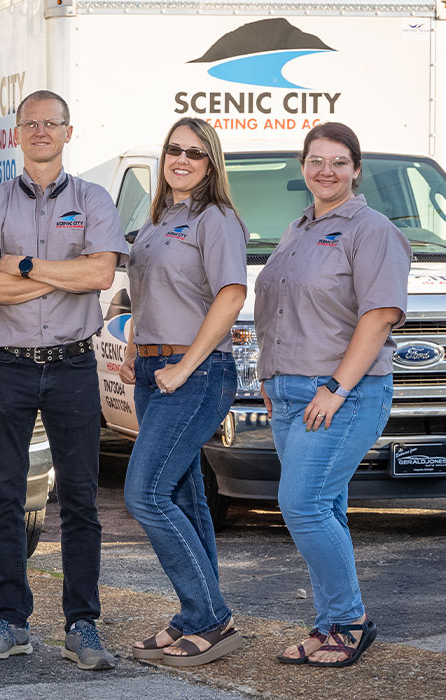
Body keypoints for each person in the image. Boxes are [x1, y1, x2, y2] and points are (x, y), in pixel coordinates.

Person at [0, 90, 126, 670]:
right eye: (30, 123)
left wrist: (23, 266)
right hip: (7, 365)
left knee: (80, 499)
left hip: (73, 364)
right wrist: (64, 275)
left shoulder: (93, 199)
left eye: (51, 123)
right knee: (5, 497)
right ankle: (10, 620)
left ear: (68, 132)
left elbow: (100, 274)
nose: (40, 132)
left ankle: (83, 624)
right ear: (17, 134)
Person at [256, 122, 410, 667]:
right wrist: (268, 376)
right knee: (325, 510)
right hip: (289, 393)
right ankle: (328, 626)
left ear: (356, 169)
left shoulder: (371, 230)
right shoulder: (297, 229)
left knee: (302, 506)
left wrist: (336, 388)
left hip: (343, 393)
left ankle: (350, 621)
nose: (327, 171)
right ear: (303, 167)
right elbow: (279, 307)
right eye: (317, 160)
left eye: (339, 161)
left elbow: (380, 315)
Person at [119, 118, 248, 666]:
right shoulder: (156, 220)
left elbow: (231, 296)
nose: (182, 159)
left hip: (195, 372)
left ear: (210, 162)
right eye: (174, 149)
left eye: (195, 153)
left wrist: (183, 365)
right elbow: (146, 291)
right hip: (153, 369)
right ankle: (198, 614)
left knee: (145, 495)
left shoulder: (215, 218)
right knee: (185, 497)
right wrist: (134, 348)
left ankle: (212, 617)